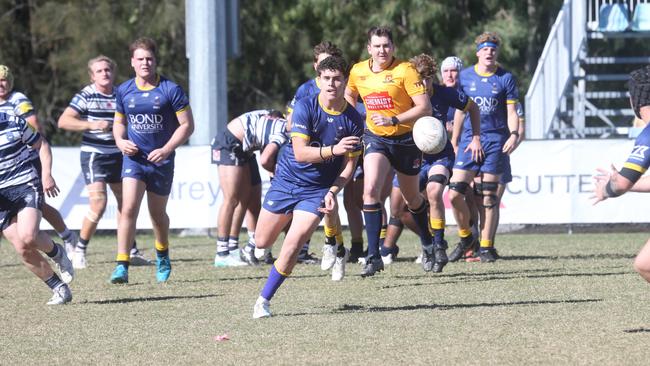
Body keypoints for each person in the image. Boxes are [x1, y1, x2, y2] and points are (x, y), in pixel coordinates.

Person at [252, 55, 363, 318]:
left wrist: (333, 190)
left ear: (345, 81)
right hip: (286, 182)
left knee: (292, 245)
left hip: (316, 190)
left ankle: (263, 301)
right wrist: (334, 149)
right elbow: (301, 153)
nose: (332, 84)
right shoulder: (304, 107)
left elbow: (349, 167)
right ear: (319, 80)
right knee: (261, 242)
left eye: (337, 79)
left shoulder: (354, 121)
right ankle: (336, 246)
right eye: (327, 79)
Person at [345, 26, 436, 276]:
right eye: (377, 46)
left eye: (386, 45)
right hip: (376, 139)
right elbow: (349, 94)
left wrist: (395, 120)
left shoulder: (405, 70)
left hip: (406, 140)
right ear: (369, 49)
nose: (382, 50)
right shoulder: (358, 71)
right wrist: (354, 121)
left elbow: (424, 107)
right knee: (370, 190)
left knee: (412, 199)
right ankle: (373, 256)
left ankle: (428, 243)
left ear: (393, 47)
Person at [382, 54, 480, 272]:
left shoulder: (445, 93)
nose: (423, 85)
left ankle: (438, 245)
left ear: (433, 78)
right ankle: (428, 242)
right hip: (411, 157)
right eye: (419, 80)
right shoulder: (405, 96)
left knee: (435, 192)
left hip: (439, 156)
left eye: (427, 79)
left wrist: (475, 136)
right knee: (398, 209)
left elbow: (472, 108)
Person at [109, 37, 194, 284]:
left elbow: (187, 125)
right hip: (134, 160)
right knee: (128, 208)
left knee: (157, 214)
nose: (145, 63)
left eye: (149, 58)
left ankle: (163, 254)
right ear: (132, 63)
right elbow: (119, 123)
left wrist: (166, 149)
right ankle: (121, 264)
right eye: (140, 59)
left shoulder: (171, 90)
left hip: (161, 162)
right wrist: (120, 141)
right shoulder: (124, 90)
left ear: (155, 61)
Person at [57, 55, 150, 269]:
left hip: (119, 154)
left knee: (126, 204)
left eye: (107, 70)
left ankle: (130, 250)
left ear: (113, 72)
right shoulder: (86, 95)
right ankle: (78, 250)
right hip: (95, 155)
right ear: (92, 75)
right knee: (98, 204)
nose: (104, 74)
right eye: (99, 71)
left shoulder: (121, 94)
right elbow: (64, 121)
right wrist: (92, 124)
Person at [448, 32, 519, 263]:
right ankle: (466, 237)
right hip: (470, 141)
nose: (489, 52)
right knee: (455, 192)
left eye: (493, 49)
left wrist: (514, 134)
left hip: (495, 141)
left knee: (488, 197)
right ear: (478, 52)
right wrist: (455, 139)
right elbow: (460, 110)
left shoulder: (506, 77)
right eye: (485, 49)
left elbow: (511, 112)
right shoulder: (466, 77)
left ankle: (487, 247)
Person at [286, 41, 358, 264]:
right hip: (307, 156)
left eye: (335, 75)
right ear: (316, 68)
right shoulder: (305, 92)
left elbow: (349, 119)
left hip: (333, 160)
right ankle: (336, 248)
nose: (330, 81)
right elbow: (290, 122)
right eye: (321, 66)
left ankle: (334, 244)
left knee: (331, 202)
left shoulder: (346, 103)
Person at [0, 65, 78, 251]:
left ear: (10, 82)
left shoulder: (17, 99)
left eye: (4, 80)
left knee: (38, 202)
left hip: (28, 158)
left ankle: (67, 237)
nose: (1, 84)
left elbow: (33, 124)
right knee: (37, 204)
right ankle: (66, 236)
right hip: (7, 165)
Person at [0, 111, 75, 304]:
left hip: (25, 183)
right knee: (22, 248)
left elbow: (41, 144)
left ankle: (57, 253)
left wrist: (47, 175)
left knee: (28, 236)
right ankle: (59, 289)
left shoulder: (14, 122)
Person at [593, 65, 650, 283]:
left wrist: (607, 188)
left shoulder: (648, 135)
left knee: (645, 265)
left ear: (635, 101)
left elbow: (622, 184)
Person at [211, 109, 287, 267]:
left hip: (247, 149)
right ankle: (222, 253)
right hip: (229, 143)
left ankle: (250, 249)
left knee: (251, 199)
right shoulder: (283, 133)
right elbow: (266, 160)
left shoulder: (278, 125)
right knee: (231, 199)